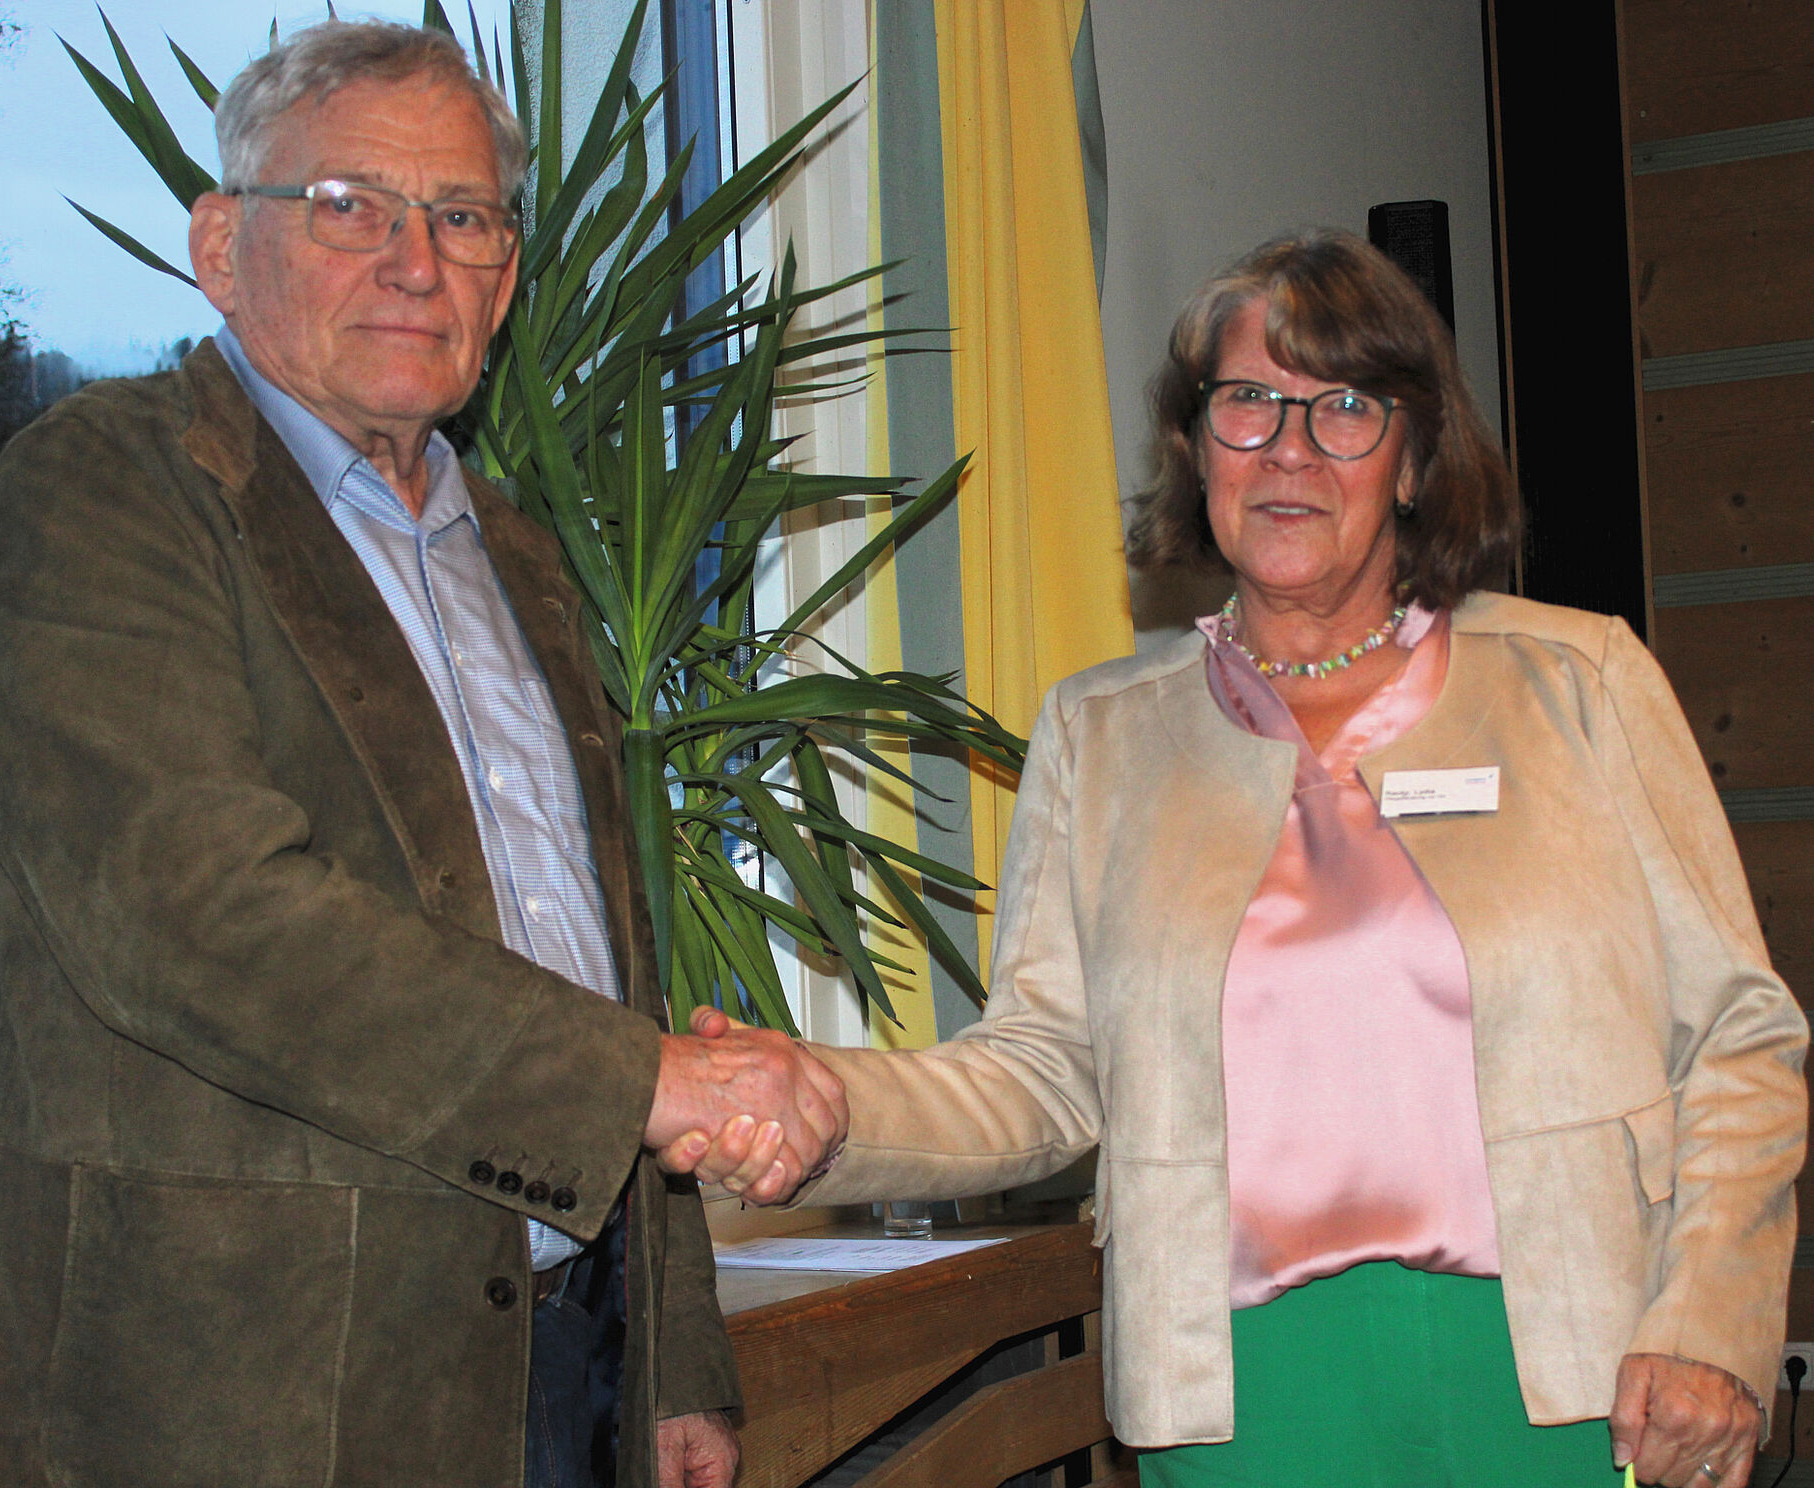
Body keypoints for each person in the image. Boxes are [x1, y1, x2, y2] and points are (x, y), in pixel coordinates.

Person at [669, 229, 1807, 1488]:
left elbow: (1740, 1037)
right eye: (1249, 402)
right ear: (1196, 447)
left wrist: (1713, 1321)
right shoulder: (1102, 736)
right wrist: (827, 1102)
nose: (1289, 450)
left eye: (1346, 409)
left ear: (1416, 459)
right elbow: (1043, 1072)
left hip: (1575, 1373)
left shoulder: (1579, 682)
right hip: (1243, 1396)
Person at [0, 21, 842, 1488]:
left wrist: (673, 1357)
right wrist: (647, 1082)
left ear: (506, 275)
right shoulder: (104, 492)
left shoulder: (522, 556)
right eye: (349, 206)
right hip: (245, 1406)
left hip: (563, 1367)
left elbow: (605, 965)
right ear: (222, 246)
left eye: (463, 217)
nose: (415, 262)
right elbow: (192, 917)